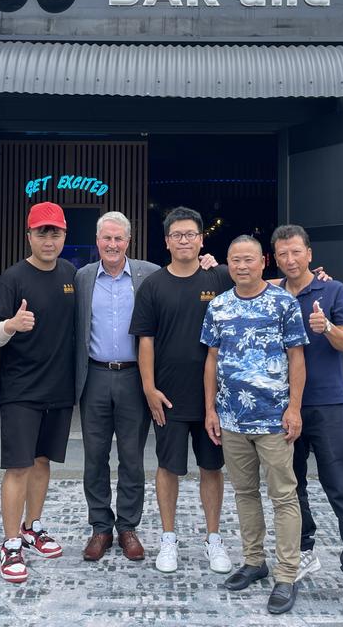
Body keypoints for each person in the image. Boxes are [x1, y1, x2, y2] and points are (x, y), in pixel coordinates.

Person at [75, 211, 219, 562]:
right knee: (94, 457)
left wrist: (208, 264)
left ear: (129, 241)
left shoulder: (149, 274)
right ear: (98, 241)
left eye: (118, 238)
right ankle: (99, 527)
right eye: (106, 238)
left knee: (132, 456)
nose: (112, 245)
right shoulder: (81, 278)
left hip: (133, 377)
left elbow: (191, 277)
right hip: (93, 375)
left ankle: (127, 527)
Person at [271, 224, 343, 616]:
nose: (290, 259)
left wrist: (327, 327)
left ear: (309, 253)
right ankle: (304, 550)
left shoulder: (333, 291)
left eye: (296, 252)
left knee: (341, 490)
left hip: (328, 405)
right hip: (284, 407)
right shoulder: (272, 293)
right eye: (283, 253)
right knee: (291, 487)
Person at [201, 234, 308, 615]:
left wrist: (294, 408)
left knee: (283, 496)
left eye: (248, 259)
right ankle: (253, 561)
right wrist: (211, 410)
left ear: (263, 261)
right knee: (244, 493)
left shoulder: (284, 303)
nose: (241, 266)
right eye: (234, 260)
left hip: (275, 420)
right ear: (227, 264)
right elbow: (212, 360)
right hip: (231, 418)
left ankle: (286, 574)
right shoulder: (219, 307)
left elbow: (297, 358)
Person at [128, 206, 234, 575]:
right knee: (168, 467)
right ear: (167, 241)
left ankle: (214, 538)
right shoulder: (154, 285)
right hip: (168, 396)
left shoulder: (219, 277)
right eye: (177, 235)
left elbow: (260, 284)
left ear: (201, 239)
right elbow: (145, 340)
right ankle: (168, 538)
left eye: (191, 234)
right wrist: (149, 388)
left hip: (213, 399)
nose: (184, 240)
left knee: (211, 468)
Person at [0, 201, 77, 584]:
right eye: (42, 232)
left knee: (42, 462)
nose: (48, 239)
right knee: (18, 466)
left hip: (58, 389)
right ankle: (10, 544)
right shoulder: (13, 278)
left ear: (64, 235)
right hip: (21, 389)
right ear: (29, 235)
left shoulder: (72, 274)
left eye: (54, 232)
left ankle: (32, 526)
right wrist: (11, 324)